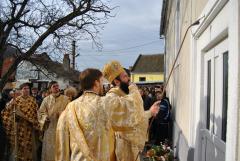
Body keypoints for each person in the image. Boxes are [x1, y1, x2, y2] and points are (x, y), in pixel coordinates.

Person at [55, 68, 159, 161]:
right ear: (96, 83)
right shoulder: (104, 103)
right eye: (101, 82)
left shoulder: (69, 108)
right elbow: (133, 111)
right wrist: (133, 88)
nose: (102, 85)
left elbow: (62, 145)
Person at [102, 60, 160, 161]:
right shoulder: (111, 97)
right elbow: (127, 118)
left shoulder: (125, 95)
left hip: (132, 146)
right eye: (125, 76)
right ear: (116, 81)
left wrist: (150, 112)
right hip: (123, 146)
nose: (129, 79)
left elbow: (134, 117)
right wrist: (134, 89)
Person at [1, 83, 40, 161]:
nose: (26, 90)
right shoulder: (16, 100)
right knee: (19, 145)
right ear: (21, 90)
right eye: (24, 88)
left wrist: (34, 121)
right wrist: (11, 105)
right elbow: (6, 112)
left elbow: (36, 113)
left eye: (28, 88)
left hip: (29, 127)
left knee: (29, 145)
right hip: (19, 127)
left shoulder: (32, 100)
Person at [38, 81, 69, 161]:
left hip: (62, 128)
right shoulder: (46, 100)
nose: (56, 88)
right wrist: (45, 117)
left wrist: (63, 114)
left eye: (57, 86)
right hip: (50, 127)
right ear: (50, 89)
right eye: (54, 86)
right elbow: (41, 112)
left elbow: (70, 112)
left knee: (61, 147)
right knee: (50, 150)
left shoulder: (66, 99)